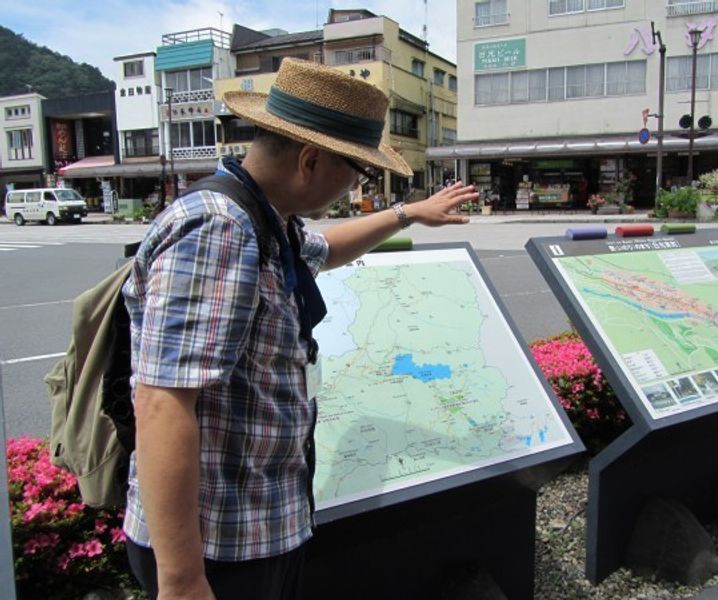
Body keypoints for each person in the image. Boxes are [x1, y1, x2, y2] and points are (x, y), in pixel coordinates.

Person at [122, 57, 477, 600]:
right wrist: (182, 578)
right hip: (219, 544)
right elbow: (163, 401)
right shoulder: (219, 227)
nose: (356, 185)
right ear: (311, 160)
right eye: (355, 171)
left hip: (260, 522)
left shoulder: (270, 219)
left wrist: (408, 215)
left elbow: (327, 249)